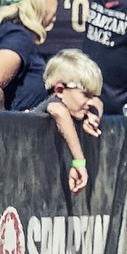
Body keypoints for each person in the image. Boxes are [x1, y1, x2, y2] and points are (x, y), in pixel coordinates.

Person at [32, 49, 104, 192]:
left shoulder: (78, 106)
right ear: (59, 90)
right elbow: (59, 112)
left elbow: (98, 102)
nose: (90, 102)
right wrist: (79, 162)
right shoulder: (54, 103)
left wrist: (94, 115)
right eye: (86, 95)